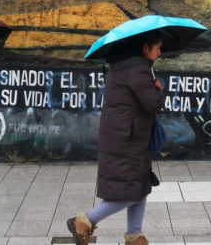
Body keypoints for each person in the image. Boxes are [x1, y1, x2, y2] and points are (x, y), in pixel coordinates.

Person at [67, 30, 166, 245]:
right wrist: (159, 90)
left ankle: (134, 235)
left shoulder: (125, 66)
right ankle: (84, 221)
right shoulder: (138, 69)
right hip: (126, 139)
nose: (159, 52)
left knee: (140, 186)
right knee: (130, 191)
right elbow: (153, 104)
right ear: (144, 48)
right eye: (157, 47)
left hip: (127, 136)